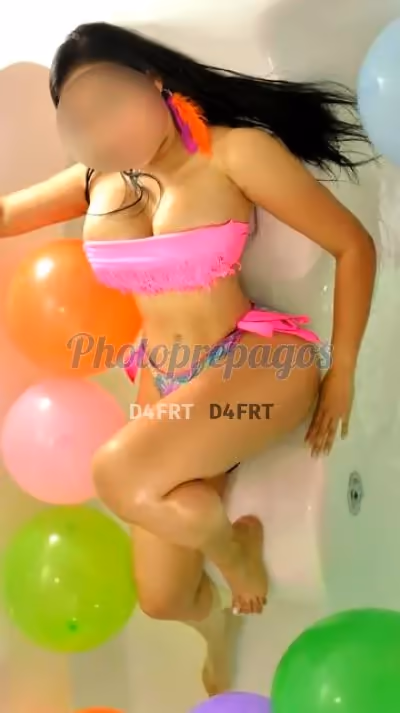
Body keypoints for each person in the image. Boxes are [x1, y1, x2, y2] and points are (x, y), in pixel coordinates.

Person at [0, 22, 376, 695]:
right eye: (80, 118)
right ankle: (216, 626)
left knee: (115, 471)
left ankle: (231, 547)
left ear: (152, 82)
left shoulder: (233, 153)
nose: (101, 127)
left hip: (258, 362)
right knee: (162, 598)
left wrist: (342, 369)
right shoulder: (95, 178)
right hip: (169, 384)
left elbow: (353, 246)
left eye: (109, 101)